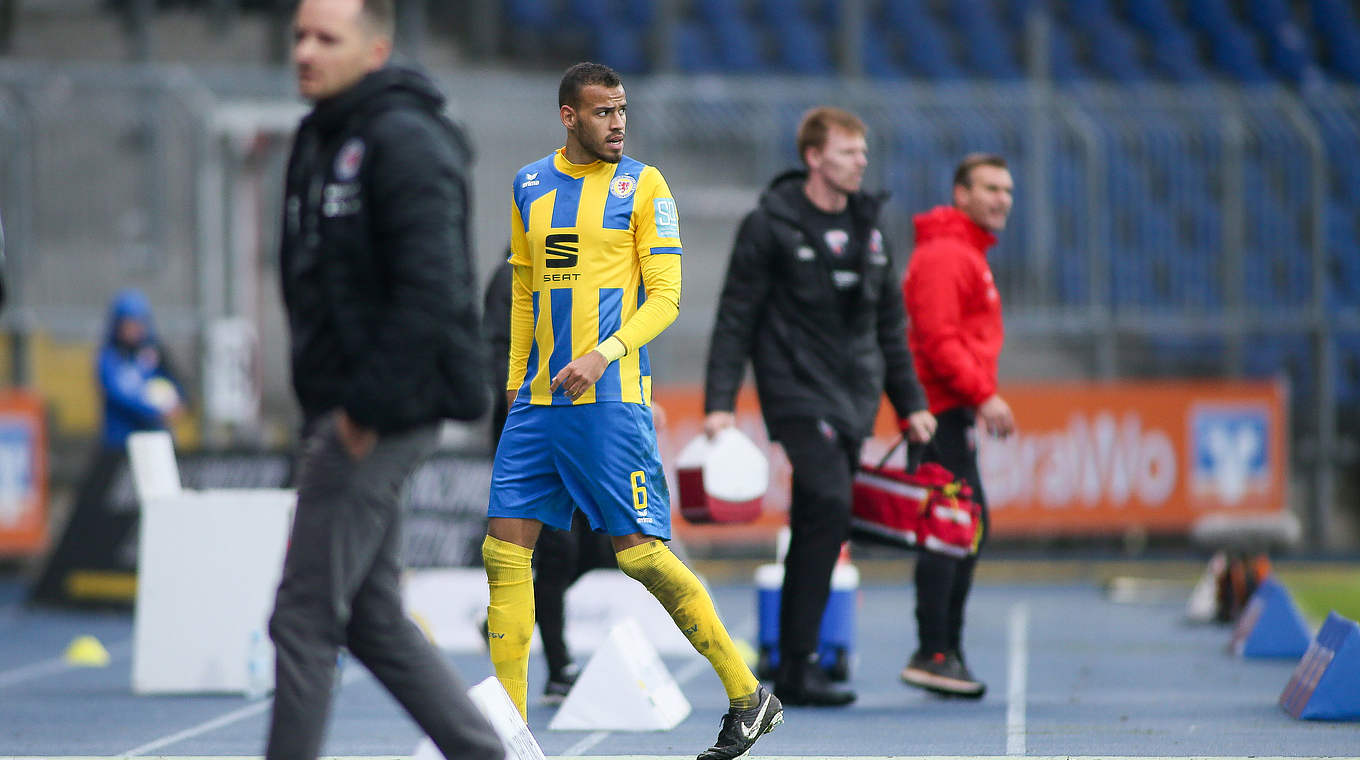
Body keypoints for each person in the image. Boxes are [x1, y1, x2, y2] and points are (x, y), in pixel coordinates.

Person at [484, 62, 782, 760]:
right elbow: (524, 289)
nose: (618, 121)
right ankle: (508, 737)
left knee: (641, 557)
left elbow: (667, 297)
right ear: (568, 116)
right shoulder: (529, 184)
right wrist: (514, 379)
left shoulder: (645, 186)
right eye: (602, 111)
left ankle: (748, 696)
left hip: (610, 401)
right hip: (535, 403)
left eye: (623, 109)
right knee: (504, 554)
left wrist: (602, 354)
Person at [267, 1, 501, 759]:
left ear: (375, 49)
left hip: (381, 413)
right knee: (369, 618)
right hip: (345, 405)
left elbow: (432, 293)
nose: (305, 50)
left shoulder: (407, 140)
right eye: (299, 34)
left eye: (325, 38)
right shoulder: (320, 133)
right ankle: (481, 750)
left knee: (303, 618)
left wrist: (360, 413)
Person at [703, 107, 936, 707]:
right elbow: (736, 315)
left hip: (854, 393)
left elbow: (890, 323)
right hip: (795, 390)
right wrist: (720, 403)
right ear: (814, 158)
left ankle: (794, 664)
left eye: (863, 152)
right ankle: (796, 661)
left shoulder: (873, 227)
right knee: (831, 502)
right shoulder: (768, 224)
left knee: (816, 521)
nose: (861, 161)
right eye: (848, 151)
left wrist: (909, 403)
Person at [900, 153, 1015, 699]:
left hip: (948, 410)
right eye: (990, 188)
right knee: (951, 529)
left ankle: (945, 650)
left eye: (1007, 190)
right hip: (938, 411)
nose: (1002, 199)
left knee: (959, 527)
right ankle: (935, 651)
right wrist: (984, 394)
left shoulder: (963, 251)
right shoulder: (948, 254)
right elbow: (939, 338)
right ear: (960, 193)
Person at [482, 257, 617, 704]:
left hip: (579, 426)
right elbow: (499, 358)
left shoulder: (580, 269)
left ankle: (512, 620)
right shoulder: (514, 277)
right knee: (557, 548)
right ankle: (559, 666)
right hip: (531, 432)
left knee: (599, 546)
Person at [97, 288, 184, 450]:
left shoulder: (154, 353)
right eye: (129, 324)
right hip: (120, 443)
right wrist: (155, 411)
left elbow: (174, 383)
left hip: (154, 441)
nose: (135, 329)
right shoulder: (109, 358)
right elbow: (121, 395)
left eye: (138, 323)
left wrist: (176, 403)